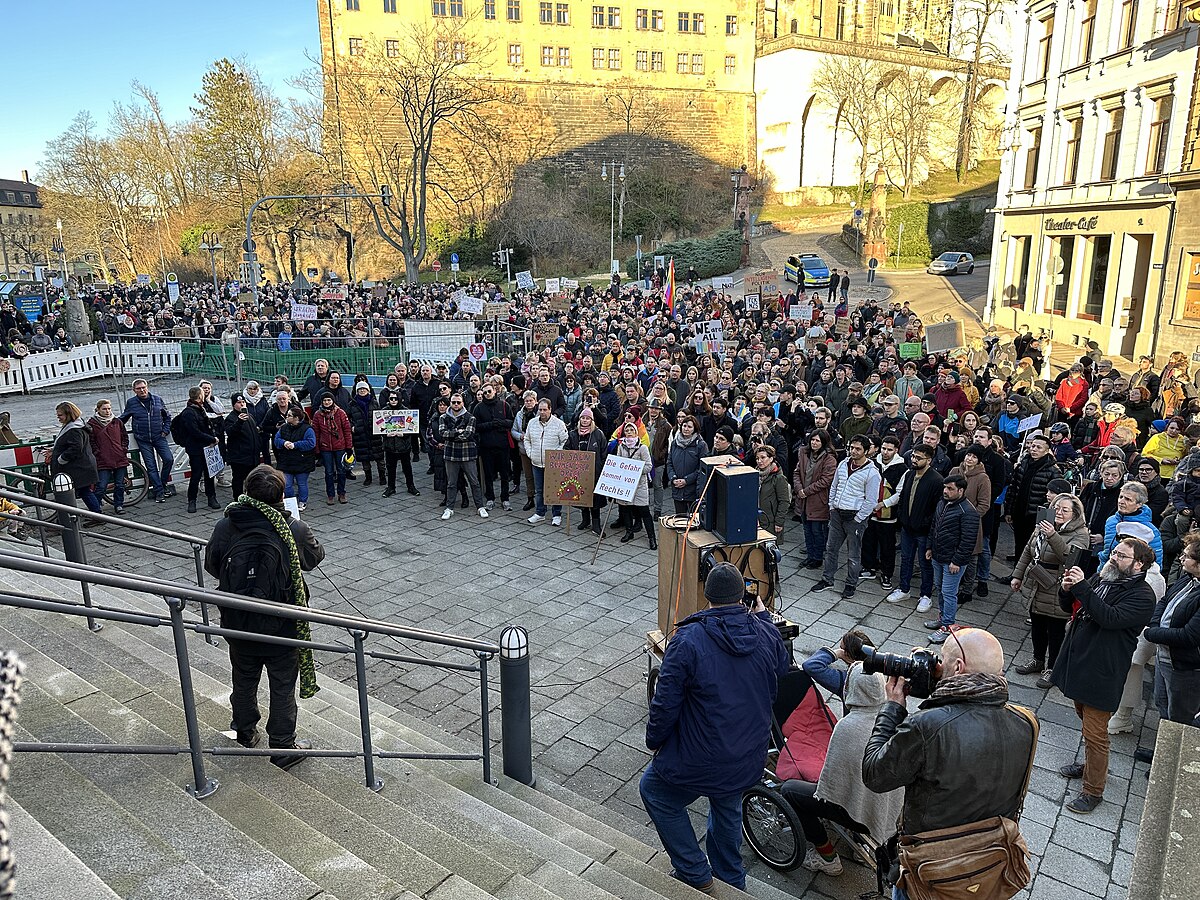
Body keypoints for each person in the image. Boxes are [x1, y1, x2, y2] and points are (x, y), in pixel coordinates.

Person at [640, 563, 790, 892]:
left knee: (655, 792)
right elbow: (782, 668)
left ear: (706, 595)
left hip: (700, 755)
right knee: (726, 807)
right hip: (747, 752)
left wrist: (655, 740)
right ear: (742, 596)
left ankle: (695, 873)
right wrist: (764, 619)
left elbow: (665, 703)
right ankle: (731, 882)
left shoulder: (688, 639)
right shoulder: (763, 630)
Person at [862, 627, 1038, 899]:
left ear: (958, 667)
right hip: (989, 859)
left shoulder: (927, 726)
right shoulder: (1026, 721)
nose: (936, 666)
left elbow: (874, 774)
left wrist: (893, 708)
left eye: (941, 660)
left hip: (932, 868)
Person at [204, 464, 324, 769]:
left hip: (238, 619)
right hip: (282, 623)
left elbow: (213, 566)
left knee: (243, 677)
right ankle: (282, 745)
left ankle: (244, 731)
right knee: (282, 684)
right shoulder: (293, 528)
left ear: (246, 491)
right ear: (281, 495)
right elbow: (314, 558)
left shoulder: (226, 524)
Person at [1055, 538, 1157, 813]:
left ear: (1139, 564)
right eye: (1114, 552)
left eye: (1121, 556)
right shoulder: (1106, 577)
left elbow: (1109, 618)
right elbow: (1074, 607)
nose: (1113, 558)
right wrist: (1068, 591)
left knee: (1096, 733)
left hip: (1103, 671)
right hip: (1082, 662)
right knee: (1085, 720)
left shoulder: (1143, 596)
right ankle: (1090, 764)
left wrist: (1083, 588)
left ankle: (1093, 791)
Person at [780, 662, 904, 876]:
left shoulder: (848, 727)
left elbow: (830, 785)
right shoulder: (897, 718)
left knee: (790, 791)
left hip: (857, 810)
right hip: (891, 810)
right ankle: (865, 843)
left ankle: (827, 857)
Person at [1011, 493, 1091, 688]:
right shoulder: (1042, 525)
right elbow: (1028, 552)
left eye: (1065, 510)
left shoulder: (1080, 534)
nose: (1059, 513)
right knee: (1037, 625)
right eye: (1056, 508)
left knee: (1055, 630)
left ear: (1075, 514)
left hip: (1057, 586)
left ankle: (1052, 668)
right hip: (1037, 582)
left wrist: (1053, 536)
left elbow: (1069, 558)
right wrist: (1017, 575)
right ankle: (1037, 659)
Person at [1138, 532, 1200, 762]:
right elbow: (1164, 600)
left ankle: (1171, 762)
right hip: (1165, 657)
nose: (1182, 559)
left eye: (1187, 556)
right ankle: (1162, 752)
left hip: (1185, 667)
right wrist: (1155, 623)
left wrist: (1152, 633)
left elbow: (1189, 636)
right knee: (1162, 704)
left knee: (1180, 717)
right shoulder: (1187, 579)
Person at [816, 434, 881, 600]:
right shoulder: (843, 464)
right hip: (837, 513)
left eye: (858, 449)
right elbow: (835, 485)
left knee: (853, 554)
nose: (853, 451)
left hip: (854, 517)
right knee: (831, 548)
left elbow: (871, 500)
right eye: (852, 447)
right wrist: (832, 506)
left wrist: (859, 519)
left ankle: (851, 584)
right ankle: (827, 579)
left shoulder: (872, 473)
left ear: (867, 451)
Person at [924, 474, 980, 643]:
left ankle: (948, 626)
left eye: (950, 488)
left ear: (961, 490)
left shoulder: (968, 511)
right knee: (940, 588)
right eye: (945, 487)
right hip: (938, 555)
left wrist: (957, 561)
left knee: (949, 593)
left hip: (952, 561)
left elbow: (968, 540)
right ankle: (942, 619)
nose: (945, 491)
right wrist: (929, 547)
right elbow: (934, 526)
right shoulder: (942, 503)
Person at [887, 444, 944, 610]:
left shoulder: (936, 480)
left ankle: (925, 595)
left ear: (929, 460)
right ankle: (904, 588)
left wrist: (924, 524)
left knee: (925, 564)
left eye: (918, 458)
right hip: (907, 527)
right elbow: (904, 496)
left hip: (924, 531)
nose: (914, 460)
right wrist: (902, 516)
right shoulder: (910, 474)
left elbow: (936, 509)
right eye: (913, 456)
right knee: (905, 559)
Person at [1007, 434, 1061, 562]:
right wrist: (1009, 510)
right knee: (1019, 544)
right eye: (1032, 446)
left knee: (1032, 547)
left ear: (1047, 451)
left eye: (1038, 447)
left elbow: (1056, 497)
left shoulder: (1053, 471)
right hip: (1019, 512)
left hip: (1036, 516)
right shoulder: (1023, 464)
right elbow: (1013, 488)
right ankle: (1016, 572)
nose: (1034, 449)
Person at [120, 378, 175, 502]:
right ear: (134, 390)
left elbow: (167, 417)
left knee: (168, 459)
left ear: (147, 387)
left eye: (143, 387)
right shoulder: (132, 402)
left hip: (159, 436)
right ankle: (159, 492)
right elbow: (123, 419)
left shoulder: (157, 400)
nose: (142, 390)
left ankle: (162, 484)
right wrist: (110, 425)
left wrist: (165, 430)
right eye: (139, 388)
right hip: (143, 439)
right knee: (151, 466)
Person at [46, 401, 102, 520]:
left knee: (81, 492)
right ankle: (96, 515)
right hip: (81, 466)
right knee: (83, 492)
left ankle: (94, 516)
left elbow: (75, 448)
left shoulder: (74, 429)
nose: (58, 418)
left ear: (68, 414)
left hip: (79, 467)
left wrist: (61, 459)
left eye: (60, 415)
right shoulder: (76, 425)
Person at [793, 429, 837, 570]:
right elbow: (797, 472)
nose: (814, 443)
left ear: (823, 442)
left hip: (818, 500)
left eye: (817, 440)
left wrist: (806, 491)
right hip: (804, 500)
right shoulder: (804, 453)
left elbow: (825, 481)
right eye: (812, 439)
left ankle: (817, 558)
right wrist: (799, 489)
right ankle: (810, 556)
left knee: (817, 531)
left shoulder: (829, 459)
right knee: (806, 530)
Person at [442, 391, 489, 520]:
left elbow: (468, 435)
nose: (456, 404)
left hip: (467, 454)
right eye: (453, 402)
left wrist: (452, 434)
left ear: (463, 403)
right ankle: (449, 508)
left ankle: (480, 506)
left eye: (458, 402)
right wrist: (457, 432)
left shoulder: (471, 417)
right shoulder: (443, 417)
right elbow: (442, 433)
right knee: (451, 483)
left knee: (474, 482)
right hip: (450, 455)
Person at [173, 387, 220, 513]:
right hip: (195, 449)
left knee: (210, 474)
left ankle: (211, 498)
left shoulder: (200, 408)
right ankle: (192, 501)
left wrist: (211, 439)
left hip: (206, 447)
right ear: (199, 396)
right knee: (196, 475)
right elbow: (194, 432)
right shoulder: (189, 412)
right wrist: (211, 439)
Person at [523, 398, 568, 526]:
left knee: (555, 489)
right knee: (539, 489)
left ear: (550, 410)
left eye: (545, 410)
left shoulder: (559, 424)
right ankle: (540, 513)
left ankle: (557, 514)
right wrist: (530, 453)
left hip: (553, 463)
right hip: (536, 462)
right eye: (540, 410)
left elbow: (565, 441)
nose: (542, 412)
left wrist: (556, 455)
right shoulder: (532, 423)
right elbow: (527, 439)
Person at [567, 406, 608, 534]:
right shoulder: (573, 434)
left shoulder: (598, 434)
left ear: (592, 420)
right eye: (583, 418)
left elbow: (604, 453)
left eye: (587, 418)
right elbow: (567, 450)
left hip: (594, 472)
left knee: (595, 499)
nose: (585, 420)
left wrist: (601, 469)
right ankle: (585, 520)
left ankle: (596, 524)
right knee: (581, 497)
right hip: (578, 473)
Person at [474, 380, 514, 510]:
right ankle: (490, 498)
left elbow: (511, 422)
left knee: (504, 474)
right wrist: (490, 425)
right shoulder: (478, 408)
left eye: (489, 391)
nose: (487, 394)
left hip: (503, 446)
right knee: (488, 474)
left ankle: (505, 498)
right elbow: (476, 426)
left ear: (495, 391)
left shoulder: (504, 405)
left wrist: (500, 423)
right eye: (484, 393)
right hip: (486, 447)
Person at [615, 421, 656, 548]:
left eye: (631, 430)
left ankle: (652, 537)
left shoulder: (642, 448)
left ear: (636, 432)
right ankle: (629, 531)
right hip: (625, 484)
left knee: (644, 511)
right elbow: (618, 462)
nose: (629, 433)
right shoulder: (621, 447)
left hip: (639, 485)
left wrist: (635, 470)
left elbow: (649, 466)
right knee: (626, 509)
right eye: (626, 431)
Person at [88, 399, 130, 514]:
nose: (107, 411)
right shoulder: (92, 424)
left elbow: (124, 436)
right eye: (104, 409)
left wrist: (123, 449)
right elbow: (91, 441)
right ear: (98, 410)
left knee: (120, 484)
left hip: (119, 457)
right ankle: (95, 508)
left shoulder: (117, 422)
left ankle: (119, 505)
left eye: (109, 408)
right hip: (103, 459)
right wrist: (97, 452)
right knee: (101, 486)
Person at [311, 393, 353, 505]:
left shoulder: (340, 413)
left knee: (341, 470)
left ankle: (342, 493)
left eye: (329, 400)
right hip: (325, 447)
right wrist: (317, 450)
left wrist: (349, 447)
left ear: (333, 401)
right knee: (329, 472)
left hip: (340, 446)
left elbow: (347, 431)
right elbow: (316, 432)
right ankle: (330, 494)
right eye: (324, 400)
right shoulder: (318, 415)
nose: (327, 402)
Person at [272, 406, 317, 511]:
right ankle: (291, 501)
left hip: (303, 461)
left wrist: (295, 445)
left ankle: (302, 501)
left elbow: (311, 443)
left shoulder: (307, 429)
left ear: (296, 418)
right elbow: (276, 440)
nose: (286, 417)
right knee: (286, 485)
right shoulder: (284, 428)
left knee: (302, 483)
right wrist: (284, 443)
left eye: (289, 416)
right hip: (286, 461)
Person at [222, 393, 263, 499]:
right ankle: (238, 499)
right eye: (239, 403)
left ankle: (252, 498)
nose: (242, 405)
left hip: (252, 456)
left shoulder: (250, 416)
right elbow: (231, 432)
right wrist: (239, 422)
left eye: (243, 402)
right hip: (239, 457)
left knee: (253, 479)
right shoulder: (231, 418)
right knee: (238, 480)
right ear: (233, 405)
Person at [380, 392, 420, 498]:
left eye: (395, 398)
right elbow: (379, 426)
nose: (393, 400)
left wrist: (404, 434)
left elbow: (413, 426)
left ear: (400, 399)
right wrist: (385, 434)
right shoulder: (384, 411)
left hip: (404, 445)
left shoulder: (406, 411)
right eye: (391, 398)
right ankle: (391, 487)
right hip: (389, 445)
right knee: (390, 468)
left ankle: (411, 486)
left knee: (407, 467)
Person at [667, 414, 709, 515]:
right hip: (677, 488)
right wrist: (673, 478)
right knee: (679, 518)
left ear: (695, 429)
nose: (686, 429)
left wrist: (687, 480)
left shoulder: (700, 445)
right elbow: (669, 463)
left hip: (692, 489)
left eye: (689, 427)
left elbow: (702, 468)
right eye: (684, 426)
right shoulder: (674, 443)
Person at [347, 382, 386, 487]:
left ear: (368, 390)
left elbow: (380, 417)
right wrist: (352, 427)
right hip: (360, 434)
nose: (362, 391)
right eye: (360, 389)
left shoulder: (374, 402)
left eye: (364, 389)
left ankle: (382, 476)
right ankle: (368, 477)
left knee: (380, 458)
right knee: (365, 459)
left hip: (374, 434)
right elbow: (348, 418)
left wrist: (381, 427)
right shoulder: (352, 404)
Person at [754, 445, 791, 537]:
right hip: (756, 519)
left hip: (770, 521)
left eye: (763, 457)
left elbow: (784, 501)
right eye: (757, 458)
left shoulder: (779, 478)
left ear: (771, 459)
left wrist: (779, 522)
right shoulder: (753, 474)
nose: (759, 461)